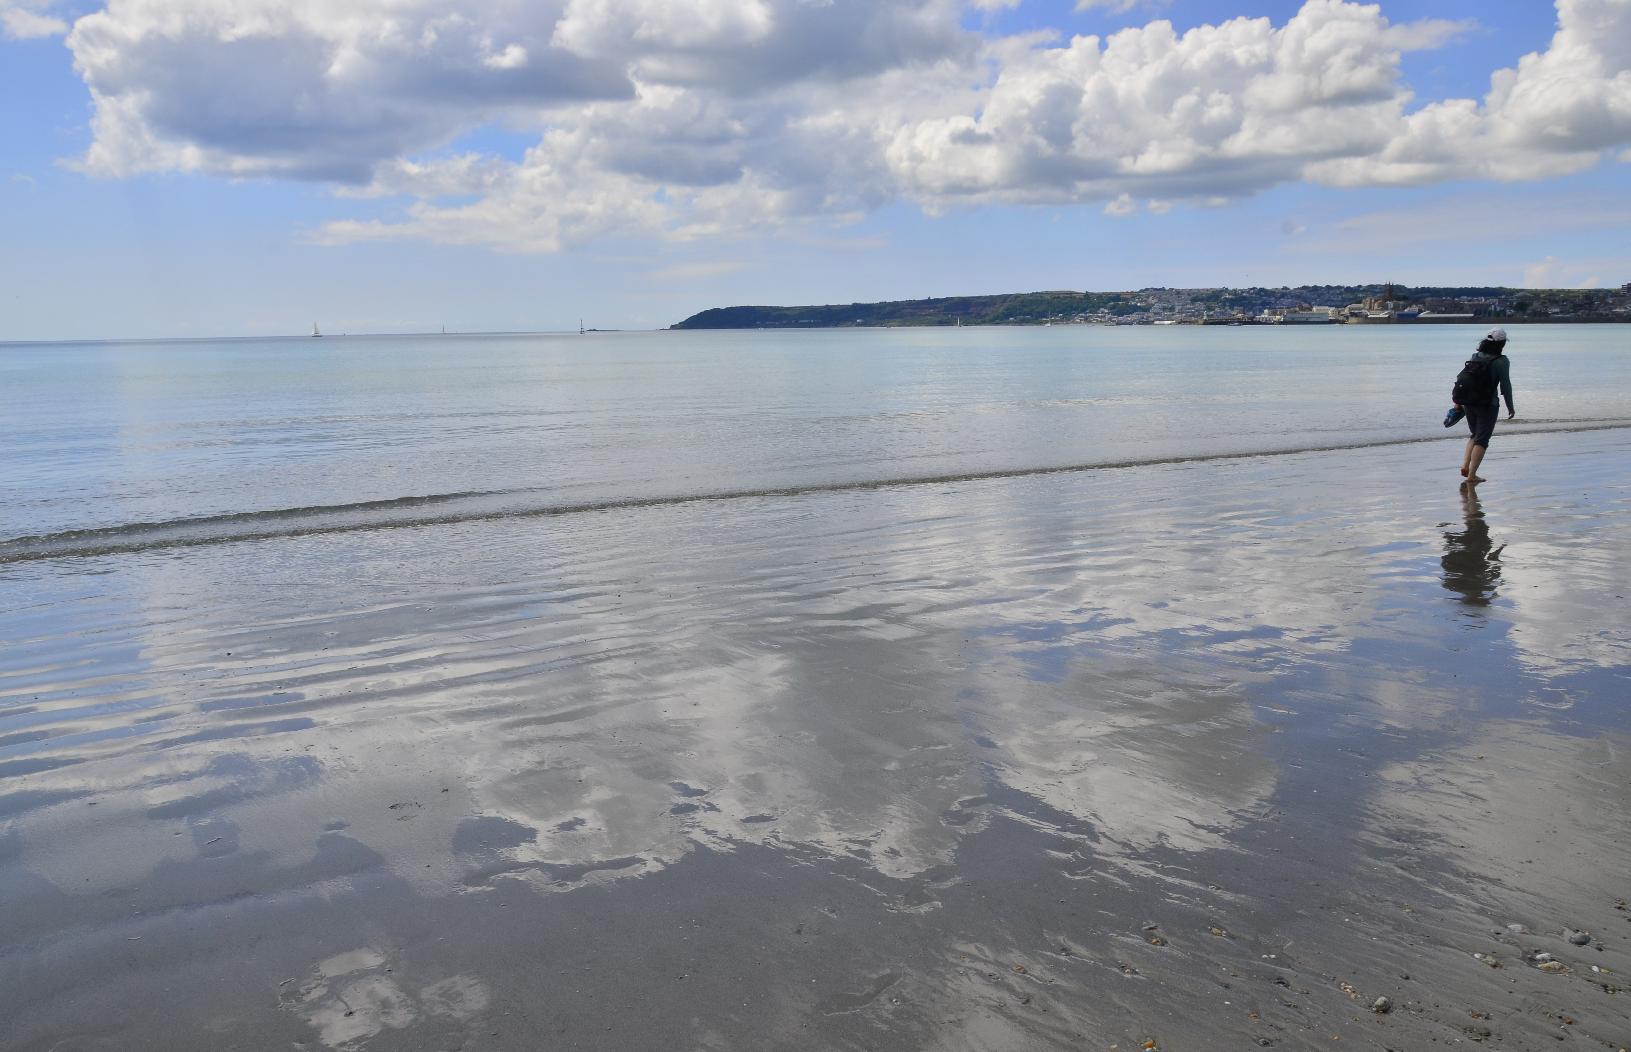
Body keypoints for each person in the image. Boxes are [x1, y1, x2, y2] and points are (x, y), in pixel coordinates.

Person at [1458, 328, 1515, 483]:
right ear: (1502, 344)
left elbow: (1464, 379)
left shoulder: (1475, 356)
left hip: (1469, 402)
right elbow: (1506, 386)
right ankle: (1471, 476)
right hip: (1488, 404)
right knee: (1482, 440)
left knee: (1474, 435)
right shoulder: (1502, 361)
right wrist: (1510, 406)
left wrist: (1458, 403)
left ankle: (1465, 464)